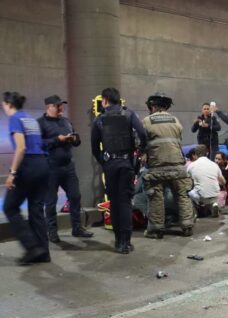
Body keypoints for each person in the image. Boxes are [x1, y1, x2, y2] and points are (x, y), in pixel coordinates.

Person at [91, 88, 147, 254]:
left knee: (114, 203)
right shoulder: (129, 114)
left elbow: (94, 147)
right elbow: (142, 134)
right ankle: (126, 242)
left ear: (105, 101)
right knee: (125, 202)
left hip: (110, 165)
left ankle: (118, 241)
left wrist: (104, 162)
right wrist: (139, 152)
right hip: (126, 163)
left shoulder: (99, 119)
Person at [2, 91, 51, 264]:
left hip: (28, 166)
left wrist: (12, 173)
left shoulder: (15, 119)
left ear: (8, 104)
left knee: (10, 207)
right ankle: (43, 252)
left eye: (3, 103)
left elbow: (21, 148)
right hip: (42, 165)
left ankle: (32, 247)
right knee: (36, 209)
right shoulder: (30, 118)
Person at [37, 94, 93, 243]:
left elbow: (76, 142)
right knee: (50, 202)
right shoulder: (40, 123)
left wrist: (75, 139)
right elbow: (38, 144)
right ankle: (52, 232)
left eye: (61, 105)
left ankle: (77, 228)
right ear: (48, 107)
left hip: (68, 167)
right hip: (50, 168)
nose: (61, 108)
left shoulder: (66, 121)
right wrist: (57, 140)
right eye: (57, 105)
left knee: (75, 197)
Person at [140, 92, 194, 239]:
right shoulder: (175, 120)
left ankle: (156, 230)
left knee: (156, 197)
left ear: (152, 106)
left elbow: (141, 142)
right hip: (177, 166)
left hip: (157, 167)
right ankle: (187, 226)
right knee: (182, 195)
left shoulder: (146, 121)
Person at [187, 144, 224, 217]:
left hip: (201, 196)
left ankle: (194, 212)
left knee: (188, 193)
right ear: (207, 153)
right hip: (215, 195)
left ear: (196, 154)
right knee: (211, 197)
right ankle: (213, 205)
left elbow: (187, 181)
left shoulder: (191, 166)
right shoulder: (214, 164)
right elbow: (223, 182)